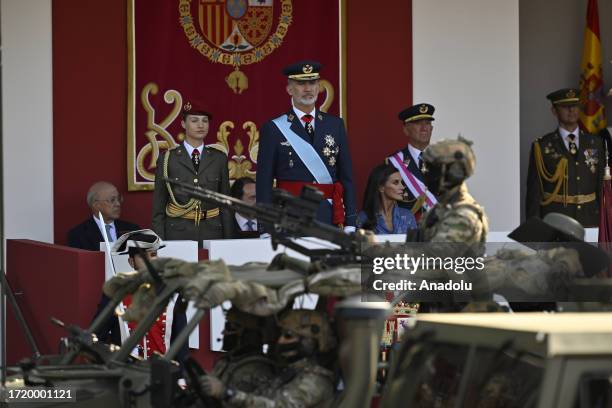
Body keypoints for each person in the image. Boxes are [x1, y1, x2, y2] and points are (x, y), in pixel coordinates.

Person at [256, 60, 357, 229]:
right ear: (289, 89)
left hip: (328, 215)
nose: (308, 89)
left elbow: (346, 177)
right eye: (301, 83)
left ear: (319, 87)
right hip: (289, 214)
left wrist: (351, 222)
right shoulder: (273, 128)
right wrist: (265, 226)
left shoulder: (335, 125)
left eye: (313, 82)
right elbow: (264, 181)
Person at [199, 309, 336, 407]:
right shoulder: (288, 373)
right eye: (281, 334)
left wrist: (226, 393)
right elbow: (258, 396)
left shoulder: (315, 382)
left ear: (309, 342)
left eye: (288, 335)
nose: (280, 341)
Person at [93, 230, 188, 361]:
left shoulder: (173, 295)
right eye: (143, 256)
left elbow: (181, 344)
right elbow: (97, 337)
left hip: (162, 374)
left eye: (153, 255)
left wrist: (180, 378)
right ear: (131, 262)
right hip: (126, 375)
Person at [152, 100, 233, 246]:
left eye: (205, 121)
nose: (200, 125)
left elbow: (225, 206)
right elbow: (158, 208)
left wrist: (228, 243)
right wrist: (160, 244)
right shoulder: (168, 158)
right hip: (178, 232)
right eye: (194, 120)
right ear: (183, 124)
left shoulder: (219, 158)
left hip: (212, 232)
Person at [526, 88, 605, 227]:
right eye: (565, 106)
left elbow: (601, 187)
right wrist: (534, 231)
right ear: (554, 111)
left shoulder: (595, 143)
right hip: (556, 222)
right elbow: (534, 193)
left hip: (590, 219)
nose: (572, 110)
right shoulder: (542, 146)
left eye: (575, 105)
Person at [386, 103, 437, 221]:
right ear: (406, 130)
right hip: (408, 231)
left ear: (432, 129)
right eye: (418, 123)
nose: (424, 128)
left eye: (428, 123)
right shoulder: (394, 162)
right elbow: (387, 204)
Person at [67, 181, 140, 250]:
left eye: (118, 198)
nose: (118, 204)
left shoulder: (133, 230)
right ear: (96, 205)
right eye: (112, 200)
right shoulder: (78, 235)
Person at [357, 164, 417, 234]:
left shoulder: (407, 216)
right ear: (381, 187)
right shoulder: (364, 218)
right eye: (396, 182)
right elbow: (361, 244)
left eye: (401, 182)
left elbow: (414, 244)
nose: (402, 187)